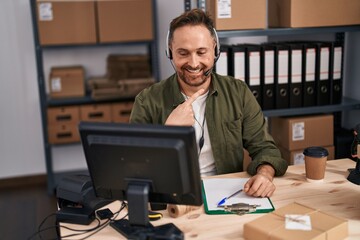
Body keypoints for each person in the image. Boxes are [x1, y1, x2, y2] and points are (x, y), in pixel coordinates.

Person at [130, 9, 288, 197]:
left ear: (215, 49)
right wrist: (168, 132)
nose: (194, 63)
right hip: (170, 196)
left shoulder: (238, 92)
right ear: (170, 52)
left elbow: (265, 149)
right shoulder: (147, 101)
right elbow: (134, 166)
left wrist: (264, 174)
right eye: (183, 53)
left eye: (201, 52)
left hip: (226, 194)